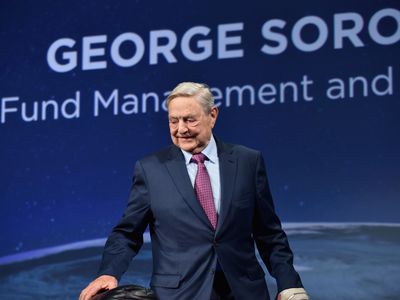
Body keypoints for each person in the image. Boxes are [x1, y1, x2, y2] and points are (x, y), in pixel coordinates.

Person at [80, 82, 309, 300]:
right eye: (173, 121)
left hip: (244, 291)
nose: (181, 129)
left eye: (190, 120)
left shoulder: (247, 161)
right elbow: (127, 233)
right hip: (178, 294)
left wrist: (289, 283)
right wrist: (109, 272)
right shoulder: (150, 169)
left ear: (213, 116)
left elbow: (268, 233)